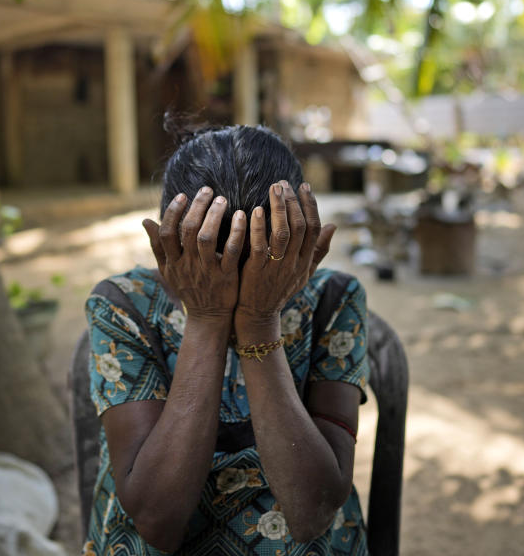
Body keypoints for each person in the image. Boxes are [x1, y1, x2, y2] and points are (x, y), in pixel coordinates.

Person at [82, 124, 369, 555]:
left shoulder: (332, 299)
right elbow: (157, 520)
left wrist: (259, 320)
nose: (235, 289)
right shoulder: (124, 306)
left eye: (261, 268)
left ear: (300, 247)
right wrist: (207, 318)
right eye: (211, 266)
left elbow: (312, 513)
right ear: (170, 250)